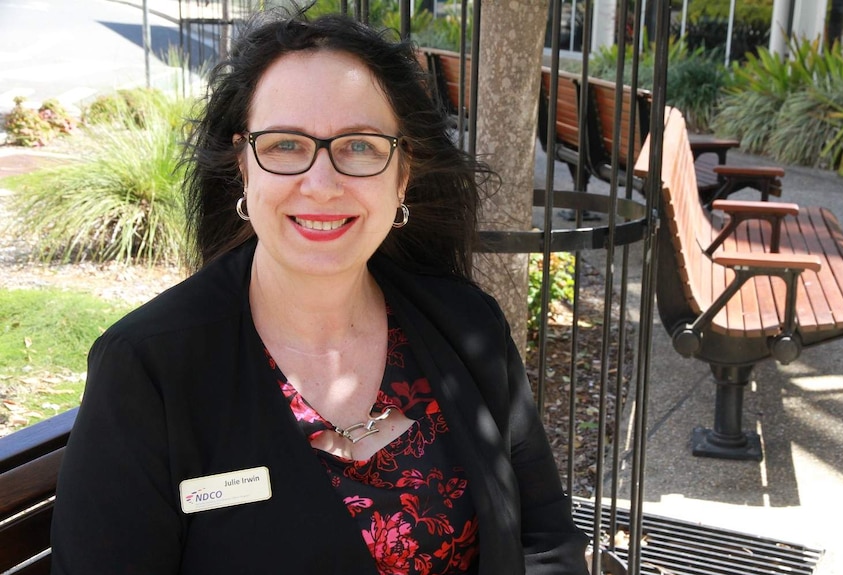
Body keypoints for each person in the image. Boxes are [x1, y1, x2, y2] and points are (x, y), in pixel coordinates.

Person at [51, 7, 590, 575]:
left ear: (402, 175)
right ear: (242, 167)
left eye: (359, 146)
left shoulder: (467, 325)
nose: (322, 184)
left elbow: (546, 543)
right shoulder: (149, 369)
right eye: (285, 145)